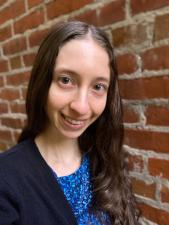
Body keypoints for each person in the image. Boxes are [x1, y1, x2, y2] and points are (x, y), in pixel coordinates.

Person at [0, 21, 139, 225]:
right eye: (66, 80)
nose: (81, 107)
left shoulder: (106, 159)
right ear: (42, 81)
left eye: (98, 86)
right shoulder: (6, 177)